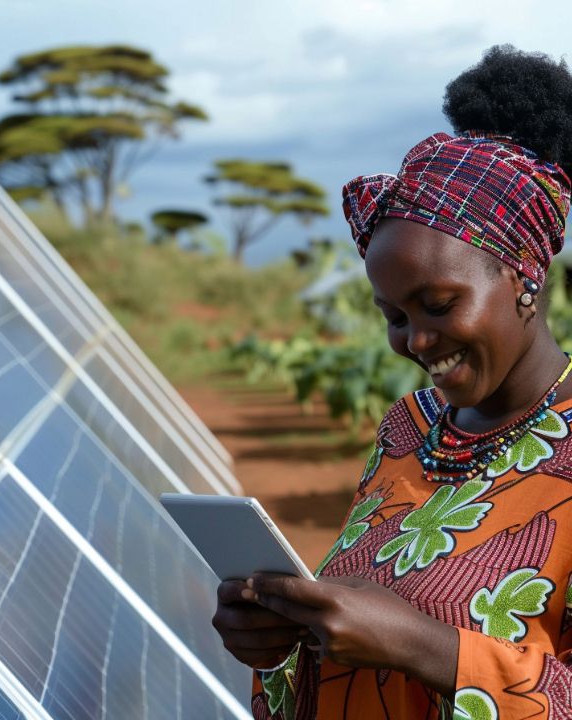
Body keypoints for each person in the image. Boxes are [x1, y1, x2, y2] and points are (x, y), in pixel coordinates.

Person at [212, 45, 572, 719]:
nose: (416, 341)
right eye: (395, 316)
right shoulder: (409, 428)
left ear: (526, 276)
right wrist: (281, 643)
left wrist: (421, 647)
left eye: (438, 306)